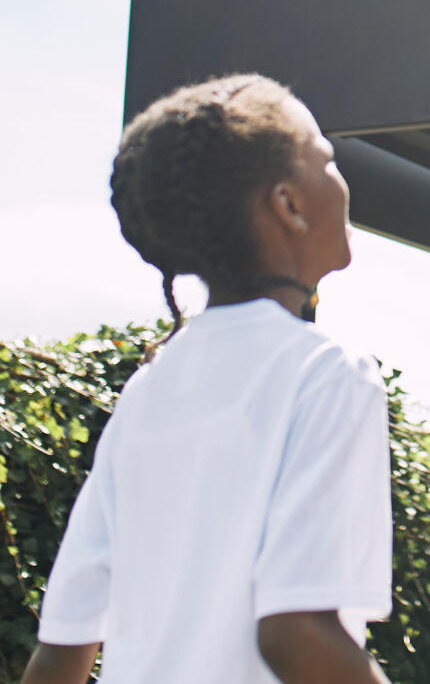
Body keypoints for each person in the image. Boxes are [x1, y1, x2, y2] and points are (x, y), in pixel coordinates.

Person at [23, 75, 393, 684]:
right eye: (326, 159)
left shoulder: (147, 391)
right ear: (289, 205)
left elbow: (62, 652)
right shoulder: (328, 376)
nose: (341, 178)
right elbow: (296, 633)